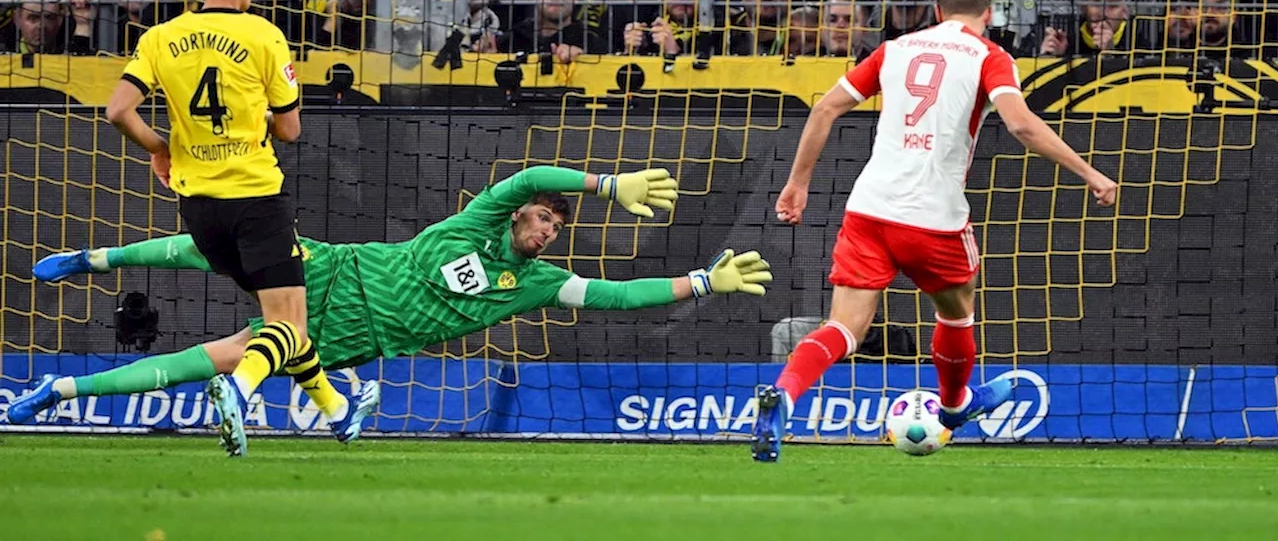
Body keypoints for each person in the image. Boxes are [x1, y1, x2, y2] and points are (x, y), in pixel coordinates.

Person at [9, 167, 772, 434]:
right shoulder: (483, 217)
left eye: (556, 225)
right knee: (217, 250)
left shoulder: (536, 283)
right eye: (543, 216)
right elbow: (527, 172)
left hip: (348, 341)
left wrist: (703, 281)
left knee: (200, 363)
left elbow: (614, 296)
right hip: (342, 273)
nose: (546, 228)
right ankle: (94, 256)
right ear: (519, 215)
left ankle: (60, 388)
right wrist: (605, 186)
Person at [753, 0, 1118, 462]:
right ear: (988, 14)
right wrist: (1090, 173)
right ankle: (952, 406)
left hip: (869, 209)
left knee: (844, 328)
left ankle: (786, 395)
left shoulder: (895, 49)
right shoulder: (991, 56)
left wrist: (797, 184)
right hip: (934, 216)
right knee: (957, 309)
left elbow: (824, 110)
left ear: (937, 12)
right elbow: (1021, 125)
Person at [99, 0, 358, 458]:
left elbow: (118, 112)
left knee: (285, 323)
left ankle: (338, 411)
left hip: (198, 210)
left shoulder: (159, 37)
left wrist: (160, 146)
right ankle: (237, 388)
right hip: (257, 201)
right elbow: (289, 130)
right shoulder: (264, 36)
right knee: (286, 325)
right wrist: (261, 113)